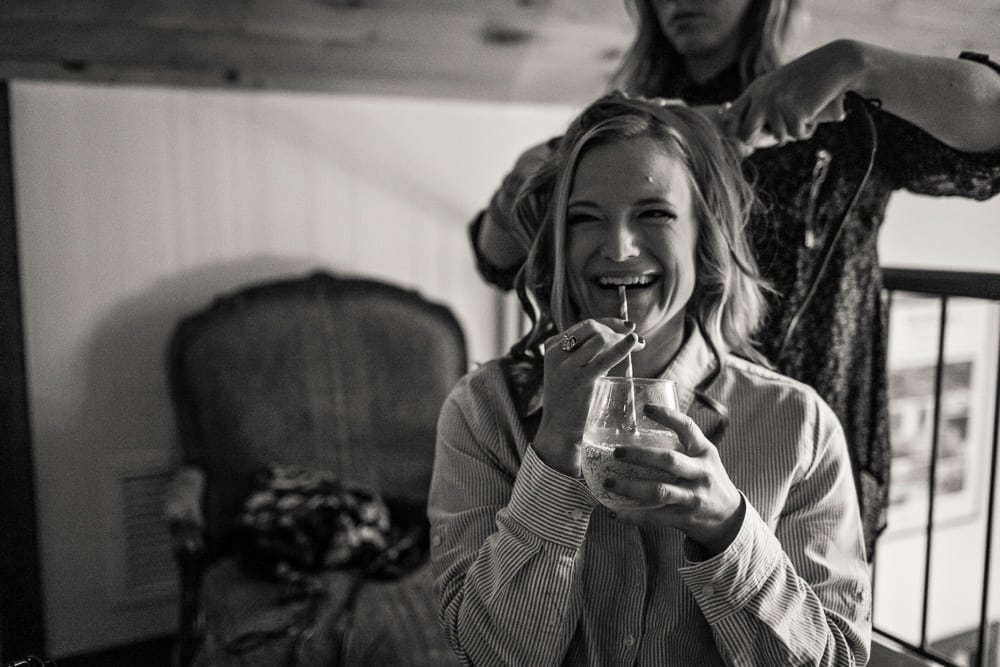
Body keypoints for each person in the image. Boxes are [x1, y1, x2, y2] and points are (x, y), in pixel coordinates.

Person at [468, 0, 1000, 558]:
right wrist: (520, 189)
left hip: (804, 450)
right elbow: (497, 257)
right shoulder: (633, 129)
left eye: (654, 213)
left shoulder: (836, 116)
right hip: (654, 424)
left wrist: (860, 64)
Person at [430, 93, 871, 666]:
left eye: (654, 214)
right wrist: (553, 458)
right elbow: (489, 654)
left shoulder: (799, 425)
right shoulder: (482, 412)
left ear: (705, 237)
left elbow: (836, 658)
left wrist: (728, 529)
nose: (618, 248)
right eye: (584, 218)